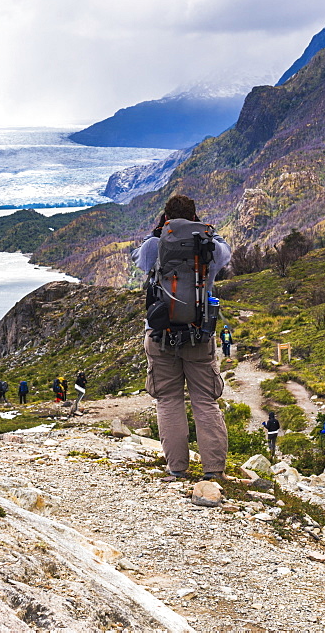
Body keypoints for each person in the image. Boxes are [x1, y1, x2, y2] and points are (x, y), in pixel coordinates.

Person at [132, 195, 232, 480]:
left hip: (161, 334)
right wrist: (208, 232)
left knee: (168, 401)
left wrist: (157, 233)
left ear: (166, 218)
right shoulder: (209, 245)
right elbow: (226, 252)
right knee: (205, 401)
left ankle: (177, 469)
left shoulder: (155, 244)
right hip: (199, 334)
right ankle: (214, 471)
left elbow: (138, 259)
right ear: (195, 217)